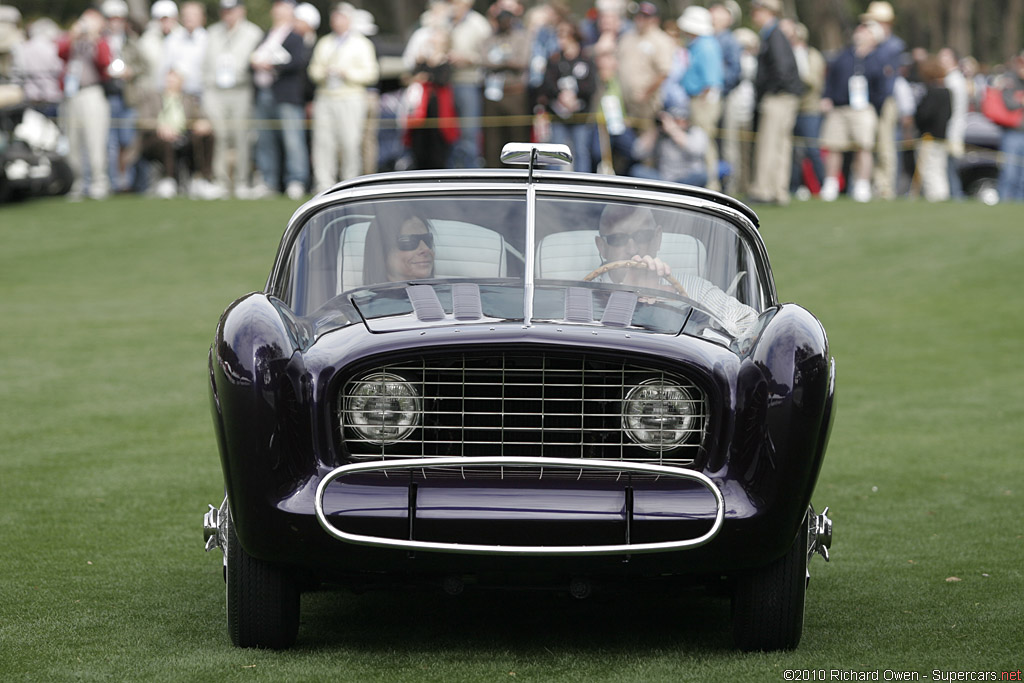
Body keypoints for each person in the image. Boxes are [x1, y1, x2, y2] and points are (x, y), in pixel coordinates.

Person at [593, 204, 758, 337]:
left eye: (642, 236)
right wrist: (626, 297)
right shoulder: (586, 292)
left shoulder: (696, 290)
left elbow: (751, 323)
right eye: (618, 239)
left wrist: (681, 309)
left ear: (657, 238)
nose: (632, 248)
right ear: (602, 247)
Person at [308, 2, 379, 191]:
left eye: (341, 18)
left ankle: (350, 183)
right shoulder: (324, 43)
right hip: (326, 96)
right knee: (323, 142)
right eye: (335, 18)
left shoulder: (362, 43)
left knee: (350, 141)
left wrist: (347, 73)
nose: (337, 22)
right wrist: (324, 73)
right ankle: (324, 184)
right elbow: (313, 70)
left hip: (351, 97)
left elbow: (371, 73)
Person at [202, 0, 263, 198]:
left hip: (241, 89)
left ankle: (242, 182)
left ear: (241, 11)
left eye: (232, 10)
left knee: (241, 136)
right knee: (219, 136)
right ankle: (221, 181)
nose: (228, 14)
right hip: (216, 91)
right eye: (225, 10)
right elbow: (204, 64)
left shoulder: (253, 33)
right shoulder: (212, 32)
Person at [819, 21, 885, 202]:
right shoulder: (843, 55)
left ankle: (862, 185)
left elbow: (882, 88)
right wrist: (827, 97)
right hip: (839, 107)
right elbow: (830, 79)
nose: (860, 32)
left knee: (864, 147)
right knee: (833, 146)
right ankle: (831, 183)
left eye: (865, 30)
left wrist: (873, 106)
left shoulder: (877, 59)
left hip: (863, 109)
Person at [250, 0, 310, 199]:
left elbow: (298, 62)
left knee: (292, 139)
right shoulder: (267, 34)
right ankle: (269, 180)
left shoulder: (295, 37)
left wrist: (272, 65)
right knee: (266, 140)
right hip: (265, 93)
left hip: (286, 94)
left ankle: (296, 180)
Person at [747, 0, 803, 206]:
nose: (753, 15)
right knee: (781, 145)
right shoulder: (775, 34)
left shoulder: (774, 35)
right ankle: (778, 191)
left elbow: (781, 69)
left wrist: (768, 90)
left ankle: (764, 190)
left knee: (770, 144)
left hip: (778, 96)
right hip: (786, 95)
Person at [58, 8, 112, 201]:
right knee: (73, 141)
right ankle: (75, 183)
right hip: (72, 94)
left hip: (92, 92)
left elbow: (105, 63)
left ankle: (99, 182)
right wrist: (73, 36)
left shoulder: (101, 41)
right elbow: (61, 52)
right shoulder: (74, 41)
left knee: (95, 140)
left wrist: (95, 38)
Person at [861, 1, 906, 200]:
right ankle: (874, 183)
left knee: (886, 145)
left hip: (885, 100)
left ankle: (885, 185)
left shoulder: (892, 46)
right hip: (869, 100)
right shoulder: (873, 44)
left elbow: (887, 79)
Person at [538, 20, 596, 172]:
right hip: (558, 115)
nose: (560, 39)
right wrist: (560, 95)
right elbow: (547, 84)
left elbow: (591, 86)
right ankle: (553, 187)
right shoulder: (554, 60)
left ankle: (583, 186)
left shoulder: (585, 60)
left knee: (581, 151)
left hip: (580, 115)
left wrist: (574, 95)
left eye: (564, 35)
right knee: (555, 152)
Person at [677, 6, 723, 190]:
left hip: (703, 101)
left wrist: (704, 101)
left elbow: (710, 81)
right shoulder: (698, 45)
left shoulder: (706, 46)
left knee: (703, 142)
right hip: (697, 99)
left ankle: (711, 183)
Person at [480, 9, 530, 168]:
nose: (504, 22)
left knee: (517, 137)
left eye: (508, 19)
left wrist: (500, 63)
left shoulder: (521, 38)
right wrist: (507, 62)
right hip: (493, 94)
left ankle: (519, 174)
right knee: (493, 139)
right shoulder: (489, 39)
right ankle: (494, 175)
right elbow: (484, 61)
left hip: (515, 92)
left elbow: (522, 62)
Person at [447, 0, 492, 168]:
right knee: (451, 134)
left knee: (469, 134)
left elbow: (488, 56)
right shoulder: (448, 21)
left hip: (469, 83)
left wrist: (467, 58)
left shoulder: (478, 24)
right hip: (448, 83)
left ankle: (471, 174)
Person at [616, 2, 674, 130]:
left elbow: (664, 72)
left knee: (646, 141)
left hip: (648, 103)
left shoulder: (661, 40)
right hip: (624, 102)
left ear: (655, 19)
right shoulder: (627, 37)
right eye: (639, 15)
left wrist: (646, 93)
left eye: (646, 16)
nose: (641, 19)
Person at [787, 21, 826, 199]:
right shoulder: (789, 54)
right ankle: (795, 186)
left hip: (810, 109)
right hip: (792, 108)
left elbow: (815, 82)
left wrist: (800, 76)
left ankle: (823, 186)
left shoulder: (813, 55)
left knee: (812, 150)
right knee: (793, 151)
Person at [628, 104, 709, 187]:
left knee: (702, 175)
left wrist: (673, 130)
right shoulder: (662, 135)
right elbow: (636, 152)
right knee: (637, 170)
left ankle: (676, 191)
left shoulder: (696, 132)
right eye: (674, 120)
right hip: (665, 181)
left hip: (687, 180)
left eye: (679, 120)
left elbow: (696, 150)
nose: (677, 123)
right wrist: (655, 129)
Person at [914, 56, 951, 202]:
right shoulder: (947, 92)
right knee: (939, 169)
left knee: (929, 170)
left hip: (928, 137)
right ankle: (941, 196)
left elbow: (924, 114)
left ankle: (935, 197)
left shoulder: (932, 92)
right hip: (941, 136)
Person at [362, 214, 435, 284]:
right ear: (381, 252)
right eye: (409, 241)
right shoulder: (356, 296)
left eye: (428, 239)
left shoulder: (443, 295)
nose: (426, 249)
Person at [994, 54, 1024, 202]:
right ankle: (1004, 202)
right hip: (1013, 133)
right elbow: (1010, 104)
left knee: (1022, 177)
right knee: (1009, 172)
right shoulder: (1010, 80)